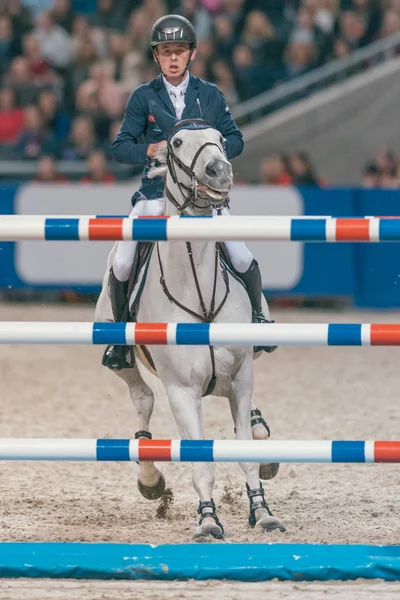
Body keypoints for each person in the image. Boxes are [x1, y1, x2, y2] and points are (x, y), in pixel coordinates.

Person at [102, 14, 276, 371]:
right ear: (156, 56)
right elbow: (120, 147)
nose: (173, 58)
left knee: (241, 255)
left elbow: (237, 139)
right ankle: (120, 341)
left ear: (192, 54)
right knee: (122, 260)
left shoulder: (209, 95)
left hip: (204, 198)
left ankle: (258, 319)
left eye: (179, 51)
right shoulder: (143, 97)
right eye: (166, 51)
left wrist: (213, 153)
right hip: (155, 196)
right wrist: (150, 150)